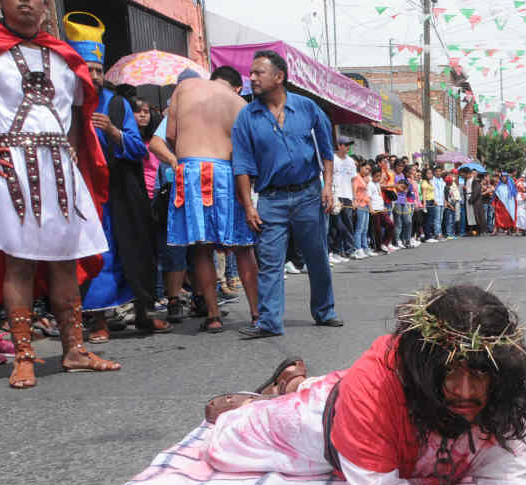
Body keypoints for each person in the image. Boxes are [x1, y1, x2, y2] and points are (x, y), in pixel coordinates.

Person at [203, 284, 526, 485]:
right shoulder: (373, 392)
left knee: (339, 384)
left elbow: (509, 467)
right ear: (423, 366)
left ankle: (293, 381)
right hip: (330, 418)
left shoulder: (510, 386)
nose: (465, 390)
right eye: (450, 372)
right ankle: (256, 404)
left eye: (480, 375)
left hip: (355, 390)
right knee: (228, 443)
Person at [0, 2, 120, 388]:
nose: (27, 2)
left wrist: (78, 165)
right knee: (20, 261)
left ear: (48, 6)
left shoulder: (65, 57)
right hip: (11, 166)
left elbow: (79, 121)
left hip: (61, 166)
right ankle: (25, 355)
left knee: (66, 260)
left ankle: (74, 349)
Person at [232, 49, 342, 339]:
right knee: (269, 261)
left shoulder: (306, 107)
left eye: (259, 73)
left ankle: (324, 311)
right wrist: (248, 206)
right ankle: (269, 322)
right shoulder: (246, 117)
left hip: (309, 194)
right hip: (270, 200)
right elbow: (241, 165)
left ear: (279, 77)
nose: (252, 78)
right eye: (251, 73)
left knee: (317, 256)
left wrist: (328, 186)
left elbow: (326, 149)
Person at [72, 16, 168, 341]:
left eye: (99, 70)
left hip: (121, 191)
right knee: (96, 255)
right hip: (83, 192)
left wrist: (113, 132)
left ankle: (144, 312)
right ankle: (96, 320)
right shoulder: (66, 105)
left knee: (136, 248)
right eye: (89, 69)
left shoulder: (117, 104)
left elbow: (138, 150)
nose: (95, 76)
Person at [166, 66, 259, 333]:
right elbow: (246, 150)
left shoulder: (186, 87)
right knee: (243, 247)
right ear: (237, 86)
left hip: (191, 170)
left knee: (201, 248)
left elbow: (170, 135)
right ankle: (255, 312)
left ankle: (213, 315)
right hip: (226, 171)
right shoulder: (240, 103)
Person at [351, 161, 372, 258]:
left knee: (365, 229)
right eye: (366, 168)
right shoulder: (356, 177)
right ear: (360, 167)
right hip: (359, 205)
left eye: (369, 169)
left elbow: (366, 194)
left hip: (365, 205)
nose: (367, 171)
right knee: (359, 228)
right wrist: (354, 201)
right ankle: (357, 249)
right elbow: (354, 190)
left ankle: (365, 248)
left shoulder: (364, 179)